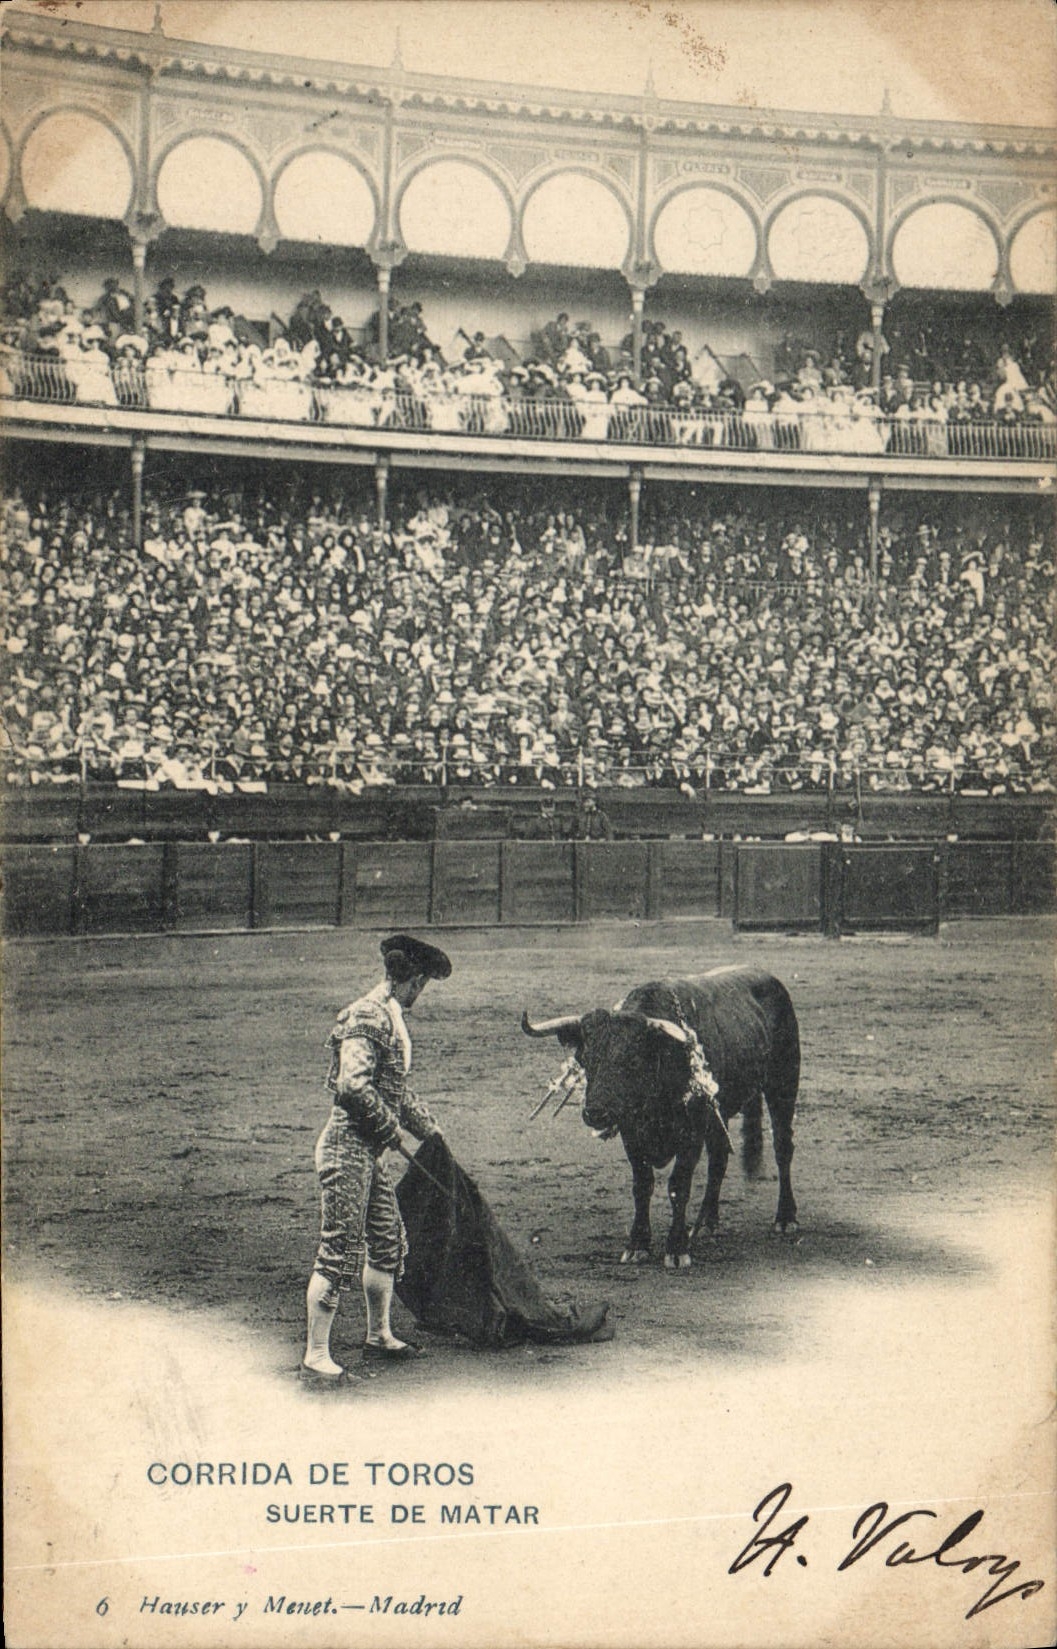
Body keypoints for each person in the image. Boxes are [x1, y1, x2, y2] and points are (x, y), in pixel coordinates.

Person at [301, 933, 452, 1384]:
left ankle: (379, 1335)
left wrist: (430, 1131)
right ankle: (315, 1356)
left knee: (387, 1238)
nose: (421, 994)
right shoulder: (369, 1014)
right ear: (415, 980)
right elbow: (352, 1087)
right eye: (422, 985)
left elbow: (393, 1090)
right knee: (340, 1247)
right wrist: (390, 1129)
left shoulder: (387, 1014)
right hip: (347, 1149)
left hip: (366, 1153)